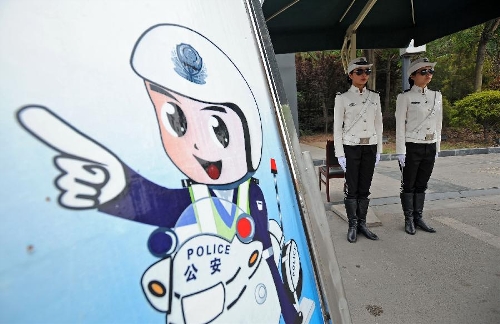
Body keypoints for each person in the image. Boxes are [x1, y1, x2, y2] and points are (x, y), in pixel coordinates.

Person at [333, 57, 383, 243]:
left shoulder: (375, 96)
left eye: (367, 71)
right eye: (359, 71)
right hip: (351, 148)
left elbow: (379, 125)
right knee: (352, 189)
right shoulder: (342, 98)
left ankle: (362, 223)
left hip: (369, 146)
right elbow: (338, 127)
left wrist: (379, 149)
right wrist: (340, 153)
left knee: (365, 188)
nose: (364, 75)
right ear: (350, 75)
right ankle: (352, 224)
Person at [395, 57, 442, 235]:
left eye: (430, 71)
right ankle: (408, 219)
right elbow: (400, 126)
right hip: (412, 146)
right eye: (424, 71)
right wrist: (401, 151)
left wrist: (437, 147)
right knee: (409, 184)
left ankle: (418, 217)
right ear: (413, 75)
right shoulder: (405, 97)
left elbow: (439, 123)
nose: (428, 74)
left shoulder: (437, 96)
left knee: (422, 184)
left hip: (429, 145)